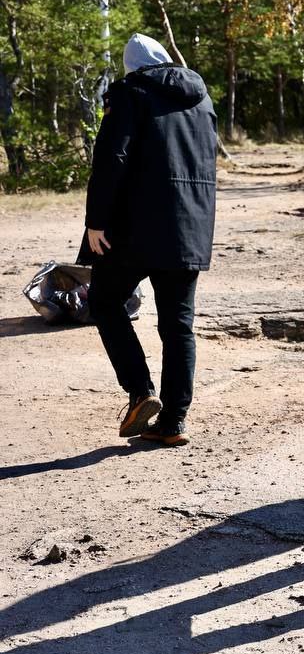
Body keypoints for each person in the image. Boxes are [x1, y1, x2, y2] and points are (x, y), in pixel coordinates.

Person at [81, 33, 218, 447]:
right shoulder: (201, 99)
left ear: (133, 68)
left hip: (135, 226)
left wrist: (96, 221)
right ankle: (173, 422)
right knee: (178, 325)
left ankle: (140, 391)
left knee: (104, 301)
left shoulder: (130, 93)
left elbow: (112, 157)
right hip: (189, 225)